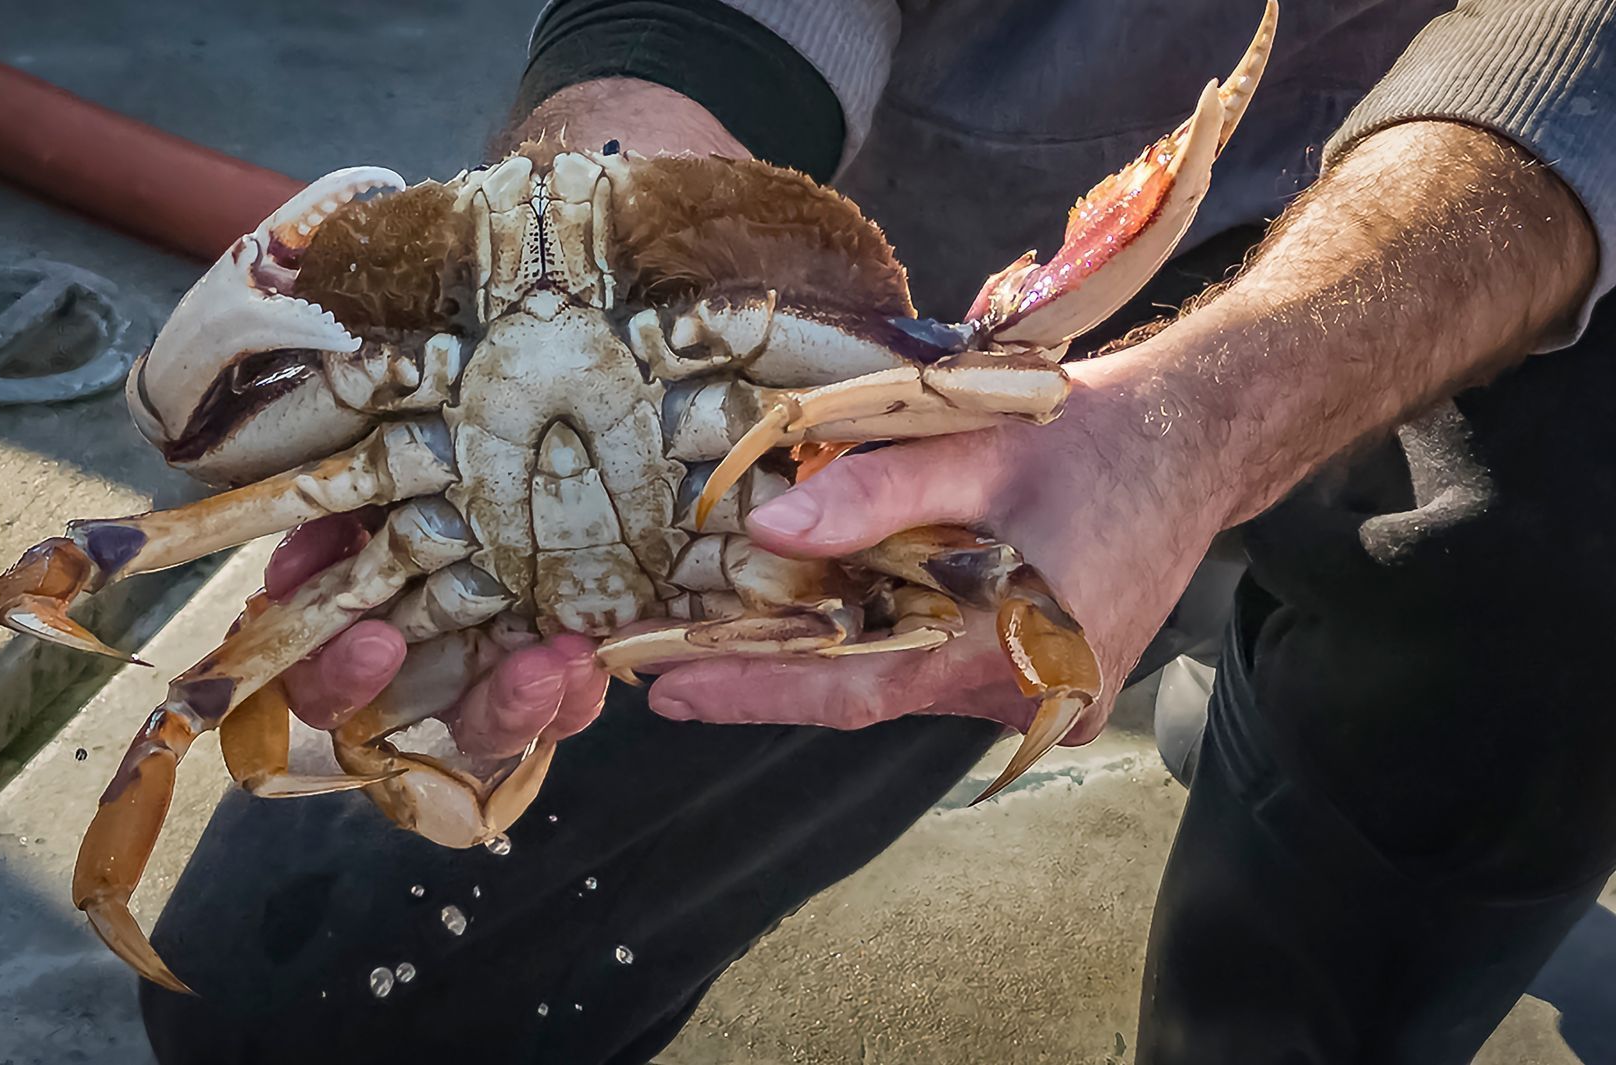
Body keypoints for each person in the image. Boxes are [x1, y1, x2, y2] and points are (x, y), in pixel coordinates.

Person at [140, 1, 1616, 1062]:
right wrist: (585, 213)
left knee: (1563, 540)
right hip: (927, 326)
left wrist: (1201, 425)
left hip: (1524, 269)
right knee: (305, 1013)